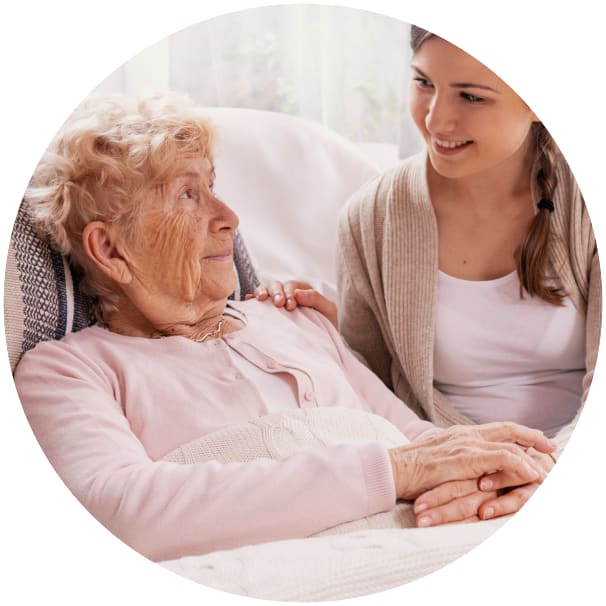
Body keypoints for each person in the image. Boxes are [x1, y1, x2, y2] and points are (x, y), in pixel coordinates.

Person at [251, 26, 600, 527]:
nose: (436, 118)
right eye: (423, 83)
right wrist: (318, 333)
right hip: (454, 477)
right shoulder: (371, 219)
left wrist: (551, 473)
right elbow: (366, 399)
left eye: (471, 96)